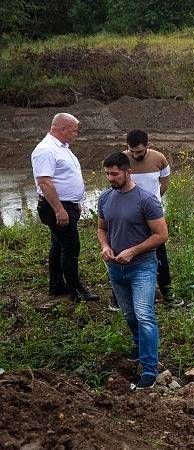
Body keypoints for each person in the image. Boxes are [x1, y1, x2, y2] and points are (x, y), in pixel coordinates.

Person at [97, 152, 168, 390]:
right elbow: (101, 229)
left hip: (142, 267)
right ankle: (140, 348)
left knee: (144, 315)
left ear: (128, 172)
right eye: (107, 174)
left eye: (114, 174)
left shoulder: (146, 200)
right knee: (129, 316)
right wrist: (105, 246)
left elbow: (161, 235)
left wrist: (133, 251)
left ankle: (149, 368)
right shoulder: (105, 198)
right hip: (116, 268)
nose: (110, 178)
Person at [105, 129, 181, 310]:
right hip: (128, 218)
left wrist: (154, 202)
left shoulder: (159, 159)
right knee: (119, 256)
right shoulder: (121, 160)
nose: (135, 155)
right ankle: (117, 298)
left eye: (139, 151)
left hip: (152, 217)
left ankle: (168, 295)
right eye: (132, 151)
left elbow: (165, 182)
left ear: (148, 145)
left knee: (159, 257)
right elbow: (114, 184)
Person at [31, 112, 99, 301]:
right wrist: (60, 209)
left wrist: (74, 203)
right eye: (74, 130)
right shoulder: (46, 150)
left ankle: (57, 285)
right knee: (71, 247)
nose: (76, 134)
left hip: (67, 205)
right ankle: (76, 291)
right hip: (56, 207)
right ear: (62, 128)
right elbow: (44, 182)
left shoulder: (61, 147)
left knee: (58, 246)